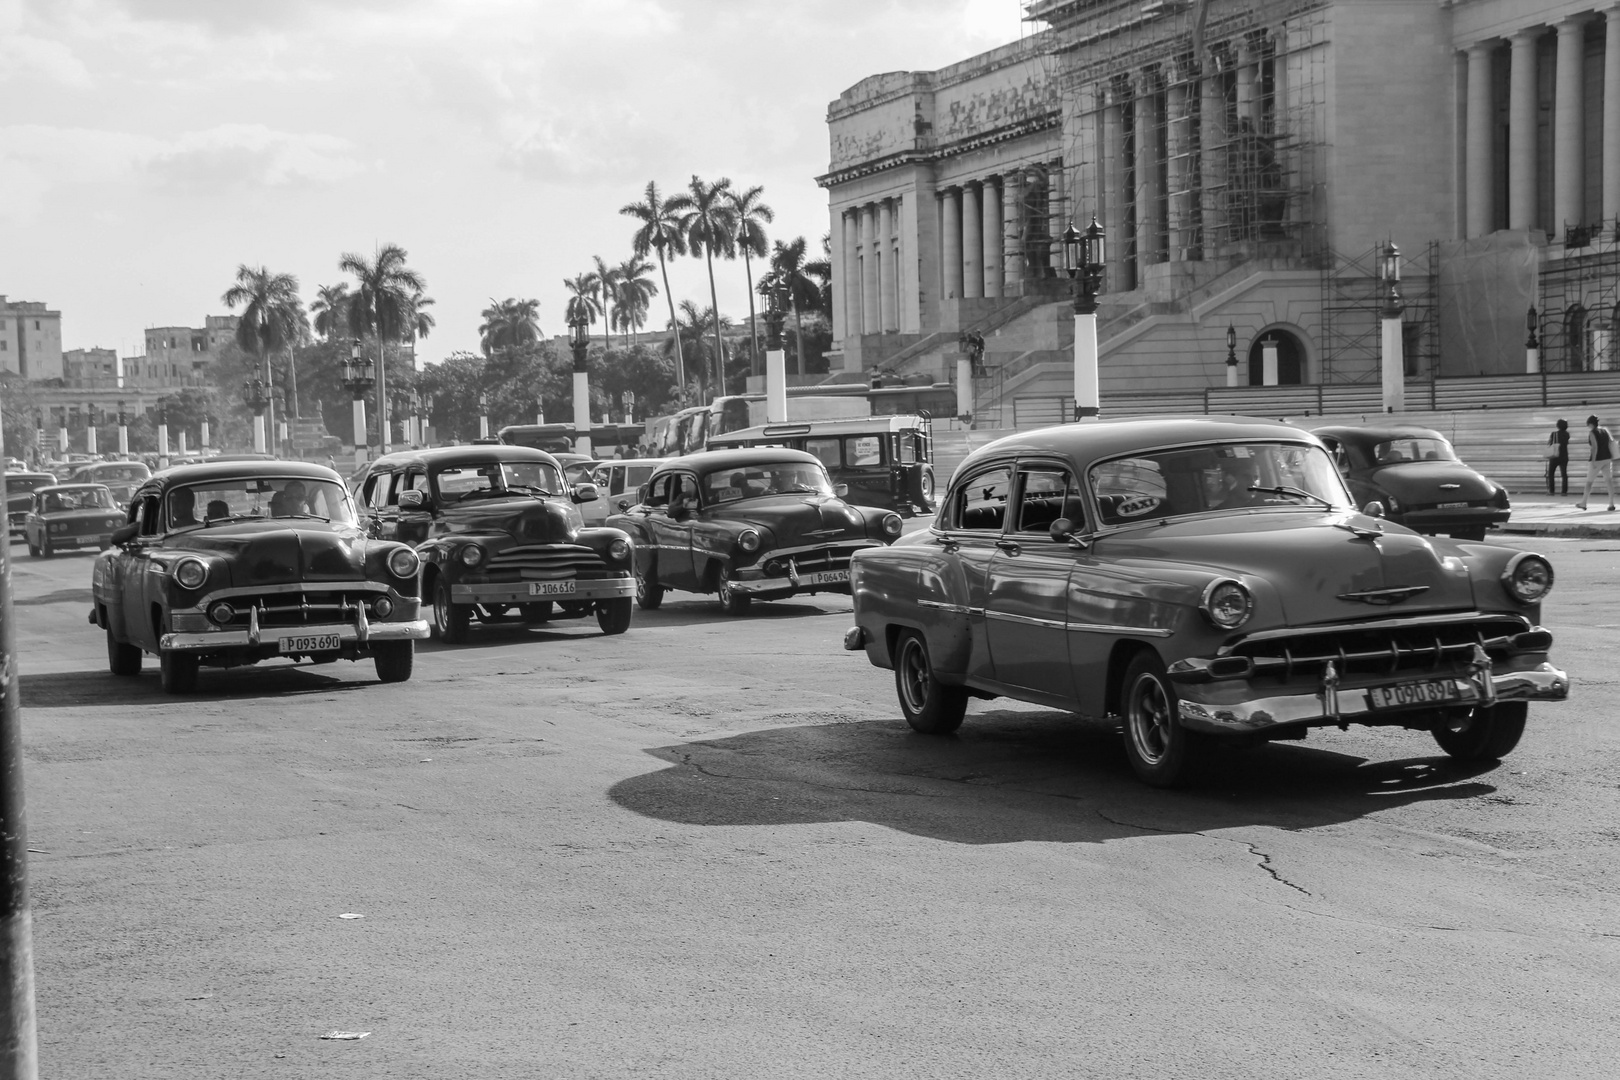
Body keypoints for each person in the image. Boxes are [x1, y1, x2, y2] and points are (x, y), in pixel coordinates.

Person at [1577, 415, 1616, 511]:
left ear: (1590, 424)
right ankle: (1611, 504)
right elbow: (1611, 442)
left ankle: (1584, 503)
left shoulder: (1592, 433)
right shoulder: (1605, 430)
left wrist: (1593, 461)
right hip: (1607, 458)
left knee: (1589, 482)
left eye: (1588, 425)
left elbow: (1594, 447)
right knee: (1609, 481)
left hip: (1597, 460)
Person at [1546, 419, 1570, 496]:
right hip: (1564, 456)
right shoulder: (1567, 434)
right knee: (1564, 474)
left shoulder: (1554, 434)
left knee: (1551, 474)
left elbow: (1549, 443)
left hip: (1555, 456)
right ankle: (1564, 492)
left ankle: (1551, 491)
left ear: (1558, 425)